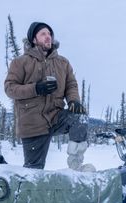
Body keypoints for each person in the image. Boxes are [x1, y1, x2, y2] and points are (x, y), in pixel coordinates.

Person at [5, 21, 95, 171]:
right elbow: (10, 88)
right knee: (33, 171)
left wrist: (74, 101)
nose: (48, 37)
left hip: (56, 116)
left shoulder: (63, 63)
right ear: (34, 40)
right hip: (32, 121)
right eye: (43, 34)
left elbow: (71, 85)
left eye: (49, 34)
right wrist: (36, 88)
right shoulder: (20, 62)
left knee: (79, 117)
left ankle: (76, 165)